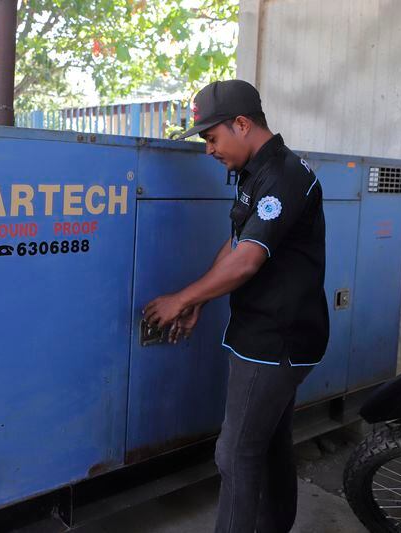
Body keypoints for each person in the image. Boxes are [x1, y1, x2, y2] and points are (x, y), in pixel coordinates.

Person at [143, 79, 329, 533]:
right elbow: (235, 243)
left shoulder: (285, 175)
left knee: (236, 453)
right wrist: (200, 298)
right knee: (268, 442)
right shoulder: (257, 172)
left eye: (211, 137)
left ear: (242, 124)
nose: (208, 150)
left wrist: (181, 299)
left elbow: (247, 261)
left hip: (276, 339)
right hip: (266, 333)